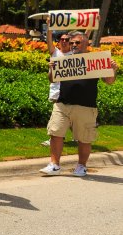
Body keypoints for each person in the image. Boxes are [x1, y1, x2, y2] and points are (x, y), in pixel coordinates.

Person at [40, 31, 118, 176]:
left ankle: (81, 166)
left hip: (86, 106)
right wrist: (52, 68)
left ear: (86, 44)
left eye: (77, 42)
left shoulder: (95, 60)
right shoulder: (64, 60)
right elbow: (52, 79)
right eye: (71, 43)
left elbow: (109, 81)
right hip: (62, 104)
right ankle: (54, 165)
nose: (73, 45)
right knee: (55, 133)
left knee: (84, 139)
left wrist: (113, 70)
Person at [40, 28, 73, 146]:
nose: (64, 41)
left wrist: (91, 25)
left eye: (67, 39)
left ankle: (68, 137)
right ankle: (56, 138)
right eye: (61, 39)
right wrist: (49, 27)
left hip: (70, 90)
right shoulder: (55, 52)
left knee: (69, 115)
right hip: (56, 89)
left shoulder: (75, 54)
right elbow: (48, 40)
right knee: (57, 115)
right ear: (58, 41)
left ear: (71, 41)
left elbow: (84, 37)